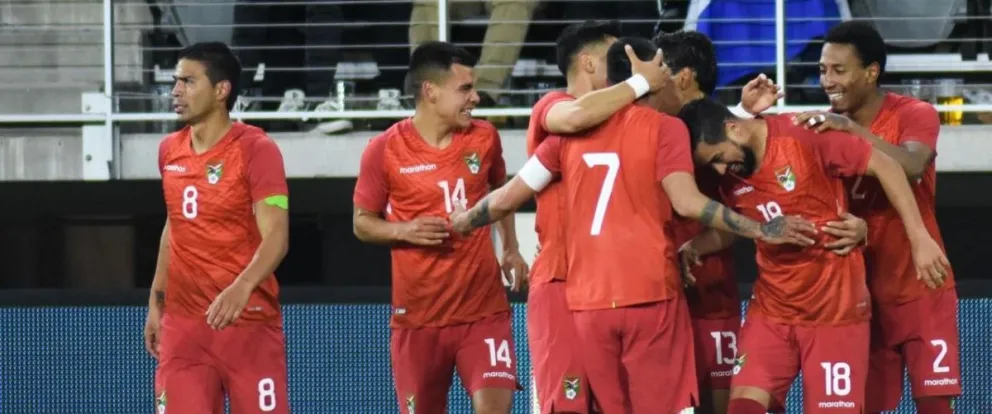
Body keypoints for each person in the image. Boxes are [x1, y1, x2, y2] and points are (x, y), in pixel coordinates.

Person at [449, 37, 820, 413]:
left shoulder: (568, 137)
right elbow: (687, 201)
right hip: (650, 295)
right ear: (651, 74)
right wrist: (761, 229)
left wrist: (463, 221)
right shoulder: (664, 130)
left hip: (589, 304)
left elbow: (507, 197)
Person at [677, 97, 951, 414]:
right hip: (772, 313)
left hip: (835, 313)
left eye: (719, 158)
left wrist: (920, 239)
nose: (721, 169)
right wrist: (697, 246)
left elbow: (887, 165)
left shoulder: (805, 134)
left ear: (734, 128)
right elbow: (736, 224)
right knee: (741, 408)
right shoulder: (732, 173)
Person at [652, 30, 869, 414]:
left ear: (682, 75)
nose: (720, 169)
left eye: (658, 69)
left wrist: (878, 228)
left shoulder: (795, 135)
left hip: (825, 308)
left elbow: (881, 168)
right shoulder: (680, 136)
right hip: (748, 306)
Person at [791, 21, 961, 414]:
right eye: (822, 70)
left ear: (871, 72)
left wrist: (851, 130)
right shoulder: (820, 130)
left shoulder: (914, 113)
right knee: (863, 406)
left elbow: (912, 165)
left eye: (839, 70)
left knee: (935, 405)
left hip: (921, 286)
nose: (827, 81)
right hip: (858, 296)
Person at [352, 41, 528, 414]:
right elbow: (362, 224)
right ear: (430, 91)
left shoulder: (484, 138)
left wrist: (509, 248)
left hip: (483, 314)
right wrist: (404, 230)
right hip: (418, 322)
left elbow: (501, 192)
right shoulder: (383, 150)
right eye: (465, 89)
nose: (476, 98)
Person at [145, 42, 291, 414]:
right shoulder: (168, 151)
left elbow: (277, 237)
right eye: (175, 81)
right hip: (185, 330)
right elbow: (173, 225)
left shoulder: (257, 149)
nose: (176, 91)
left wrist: (242, 286)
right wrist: (157, 300)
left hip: (248, 324)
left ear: (222, 90)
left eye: (189, 82)